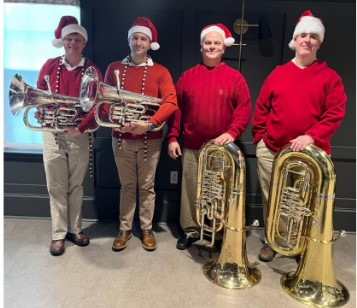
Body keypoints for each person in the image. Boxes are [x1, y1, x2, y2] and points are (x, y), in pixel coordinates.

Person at [74, 17, 177, 251]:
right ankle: (125, 228)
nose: (138, 42)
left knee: (147, 186)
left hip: (150, 139)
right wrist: (114, 120)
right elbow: (103, 101)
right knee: (127, 186)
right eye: (135, 38)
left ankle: (147, 228)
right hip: (120, 138)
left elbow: (171, 103)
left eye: (143, 38)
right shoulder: (114, 68)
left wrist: (149, 124)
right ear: (129, 40)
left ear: (149, 43)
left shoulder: (160, 71)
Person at [252, 10, 346, 262]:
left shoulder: (330, 77)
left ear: (319, 42)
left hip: (309, 154)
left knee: (304, 201)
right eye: (303, 35)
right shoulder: (278, 73)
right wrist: (260, 138)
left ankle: (300, 245)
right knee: (273, 199)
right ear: (295, 40)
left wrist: (312, 136)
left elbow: (335, 113)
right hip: (272, 149)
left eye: (313, 36)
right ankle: (275, 240)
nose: (307, 40)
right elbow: (261, 107)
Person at [167, 23, 252, 250]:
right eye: (208, 43)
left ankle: (220, 231)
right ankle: (190, 230)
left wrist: (231, 133)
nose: (212, 46)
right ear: (201, 47)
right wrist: (173, 137)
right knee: (190, 190)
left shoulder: (235, 78)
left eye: (216, 43)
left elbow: (243, 110)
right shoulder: (187, 77)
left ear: (224, 48)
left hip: (222, 148)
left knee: (221, 191)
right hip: (193, 146)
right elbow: (177, 110)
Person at [36, 16, 103, 256]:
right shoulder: (50, 65)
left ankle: (75, 229)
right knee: (56, 185)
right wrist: (42, 113)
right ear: (63, 42)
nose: (73, 43)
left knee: (75, 185)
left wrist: (80, 128)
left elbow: (98, 105)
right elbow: (39, 96)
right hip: (52, 132)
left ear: (83, 43)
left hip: (79, 133)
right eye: (69, 39)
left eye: (77, 39)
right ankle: (58, 234)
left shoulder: (92, 69)